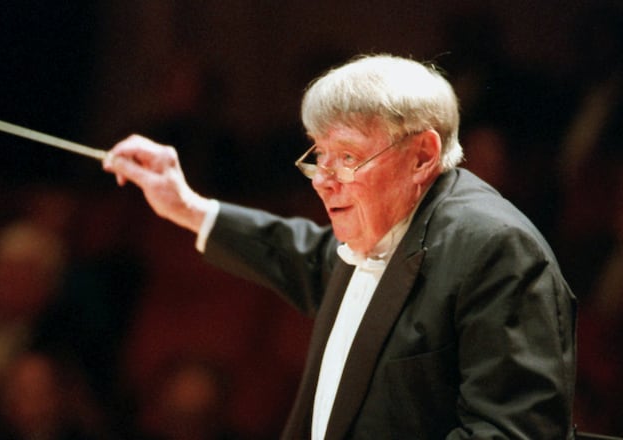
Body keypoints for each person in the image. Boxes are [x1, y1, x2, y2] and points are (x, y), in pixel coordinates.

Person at [103, 54, 577, 439]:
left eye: (347, 157)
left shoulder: (495, 249)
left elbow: (512, 432)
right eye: (319, 154)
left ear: (422, 156)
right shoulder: (387, 222)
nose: (323, 182)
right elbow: (305, 255)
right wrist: (186, 205)